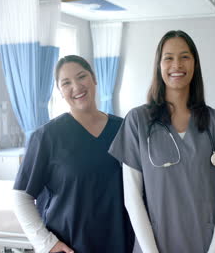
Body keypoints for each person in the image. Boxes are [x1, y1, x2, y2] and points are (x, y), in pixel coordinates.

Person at [108, 30, 215, 253]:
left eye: (184, 57)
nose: (176, 65)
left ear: (195, 64)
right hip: (156, 245)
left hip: (212, 245)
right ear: (159, 66)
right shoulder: (138, 122)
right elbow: (132, 200)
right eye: (168, 58)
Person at [12, 55, 134, 253]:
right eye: (66, 83)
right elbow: (21, 196)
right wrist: (47, 243)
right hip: (70, 246)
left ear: (94, 78)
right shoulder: (47, 136)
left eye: (81, 77)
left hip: (121, 243)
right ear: (60, 91)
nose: (76, 87)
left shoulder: (124, 129)